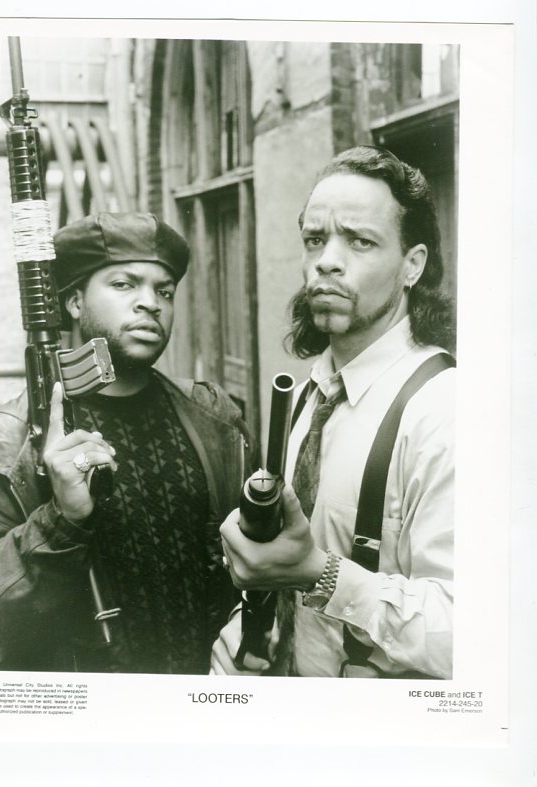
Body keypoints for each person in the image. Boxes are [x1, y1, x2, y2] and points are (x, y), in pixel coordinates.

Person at [212, 146, 455, 679]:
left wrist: (320, 575)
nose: (327, 260)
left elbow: (467, 635)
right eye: (315, 239)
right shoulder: (310, 394)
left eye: (360, 241)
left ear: (412, 265)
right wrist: (246, 631)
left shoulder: (444, 412)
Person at [0, 212, 252, 674]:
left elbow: (259, 563)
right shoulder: (11, 437)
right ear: (75, 302)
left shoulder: (214, 418)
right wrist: (61, 520)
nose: (150, 303)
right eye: (124, 284)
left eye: (164, 291)